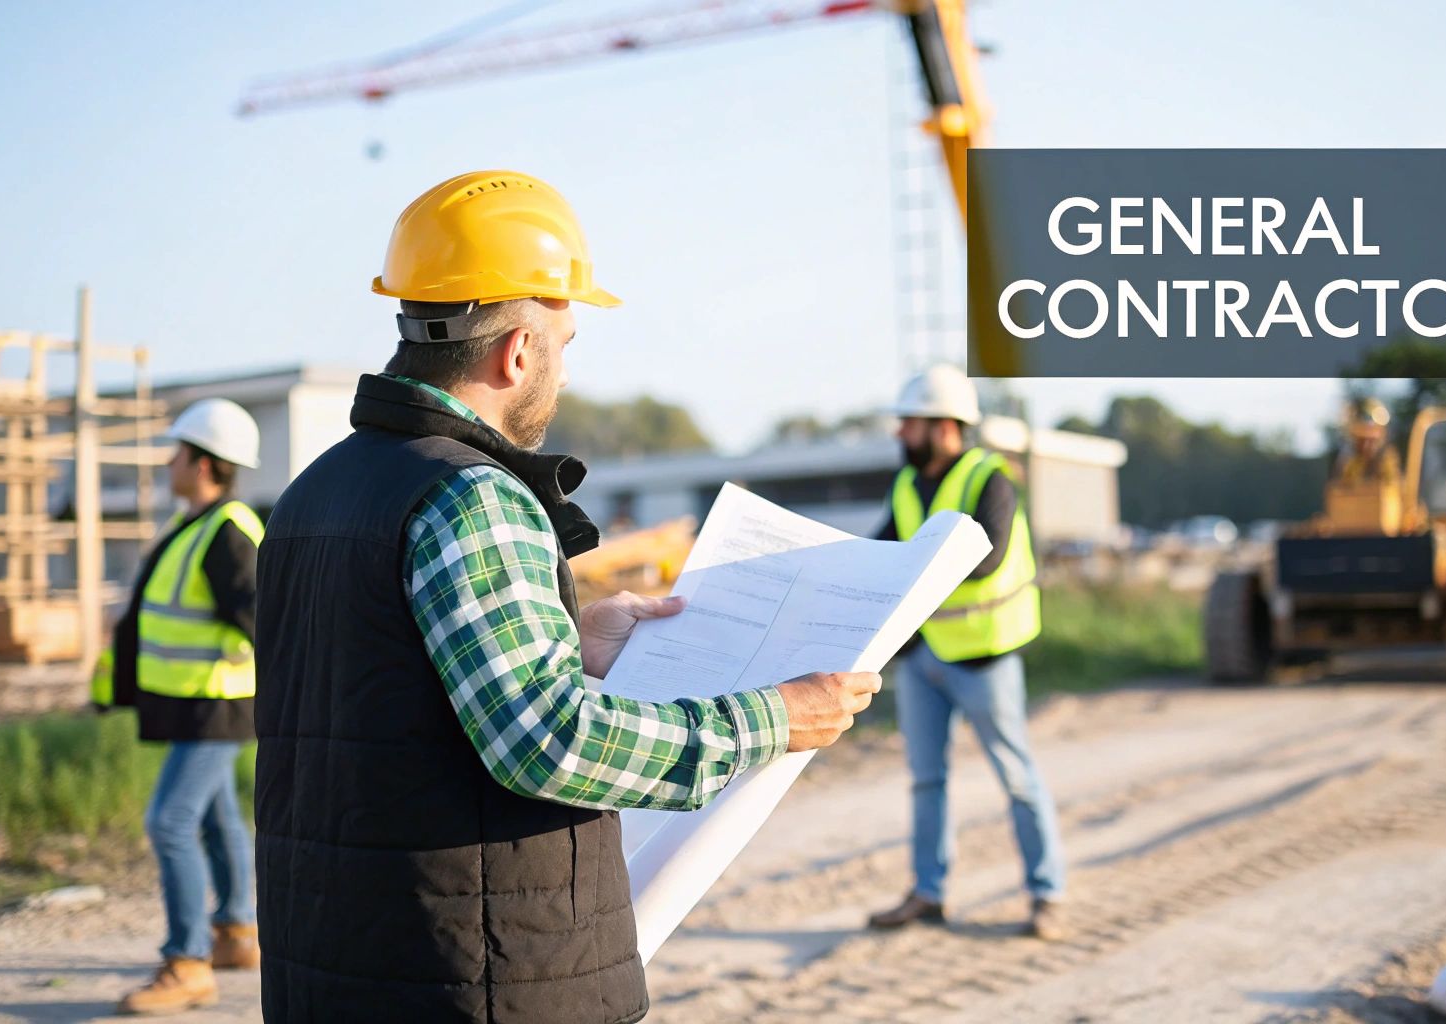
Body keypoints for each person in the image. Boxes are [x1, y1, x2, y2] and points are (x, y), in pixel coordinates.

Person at [252, 170, 880, 1023]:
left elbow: (375, 685)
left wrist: (567, 638)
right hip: (476, 979)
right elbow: (547, 742)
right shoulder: (473, 495)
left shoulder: (314, 493)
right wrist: (773, 718)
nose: (565, 368)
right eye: (566, 340)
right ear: (517, 351)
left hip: (335, 962)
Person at [865, 365, 1068, 941]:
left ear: (948, 427)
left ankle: (1047, 895)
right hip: (923, 659)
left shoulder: (990, 479)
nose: (902, 432)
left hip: (986, 658)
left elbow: (987, 559)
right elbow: (884, 553)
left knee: (1017, 778)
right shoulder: (905, 487)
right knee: (926, 781)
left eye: (912, 422)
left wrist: (912, 567)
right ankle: (928, 893)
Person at [89, 398, 264, 1015]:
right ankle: (238, 934)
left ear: (205, 462)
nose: (169, 462)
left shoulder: (227, 533)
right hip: (195, 705)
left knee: (169, 821)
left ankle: (188, 962)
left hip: (215, 707)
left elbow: (263, 623)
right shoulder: (197, 523)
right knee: (215, 821)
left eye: (179, 452)